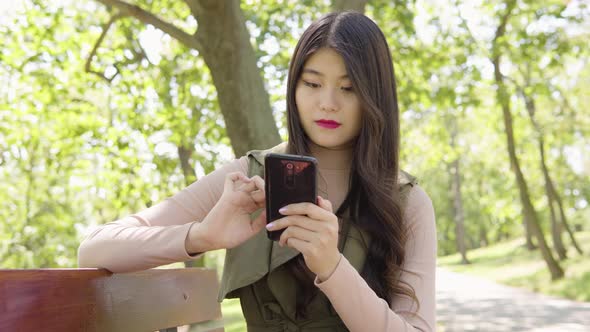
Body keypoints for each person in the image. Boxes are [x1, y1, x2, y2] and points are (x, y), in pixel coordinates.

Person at [78, 11, 436, 331]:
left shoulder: (406, 202)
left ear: (375, 97)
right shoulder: (250, 177)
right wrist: (202, 236)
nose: (327, 101)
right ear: (293, 88)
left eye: (348, 88)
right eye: (311, 83)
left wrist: (331, 266)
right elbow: (94, 250)